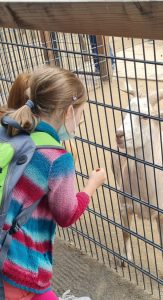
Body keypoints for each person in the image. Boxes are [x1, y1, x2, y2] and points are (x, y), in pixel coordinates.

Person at [0, 66, 106, 299]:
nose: (81, 119)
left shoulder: (13, 129)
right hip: (20, 268)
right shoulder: (58, 159)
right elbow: (66, 215)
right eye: (80, 113)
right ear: (69, 112)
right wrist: (92, 185)